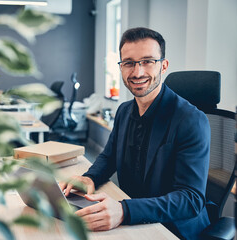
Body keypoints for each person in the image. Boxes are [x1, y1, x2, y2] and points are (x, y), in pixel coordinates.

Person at [59, 27, 210, 240]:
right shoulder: (123, 111)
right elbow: (109, 156)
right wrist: (90, 178)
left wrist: (124, 211)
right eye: (129, 63)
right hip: (132, 222)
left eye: (148, 61)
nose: (137, 72)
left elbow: (190, 199)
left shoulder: (191, 120)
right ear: (120, 67)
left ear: (163, 66)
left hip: (174, 230)